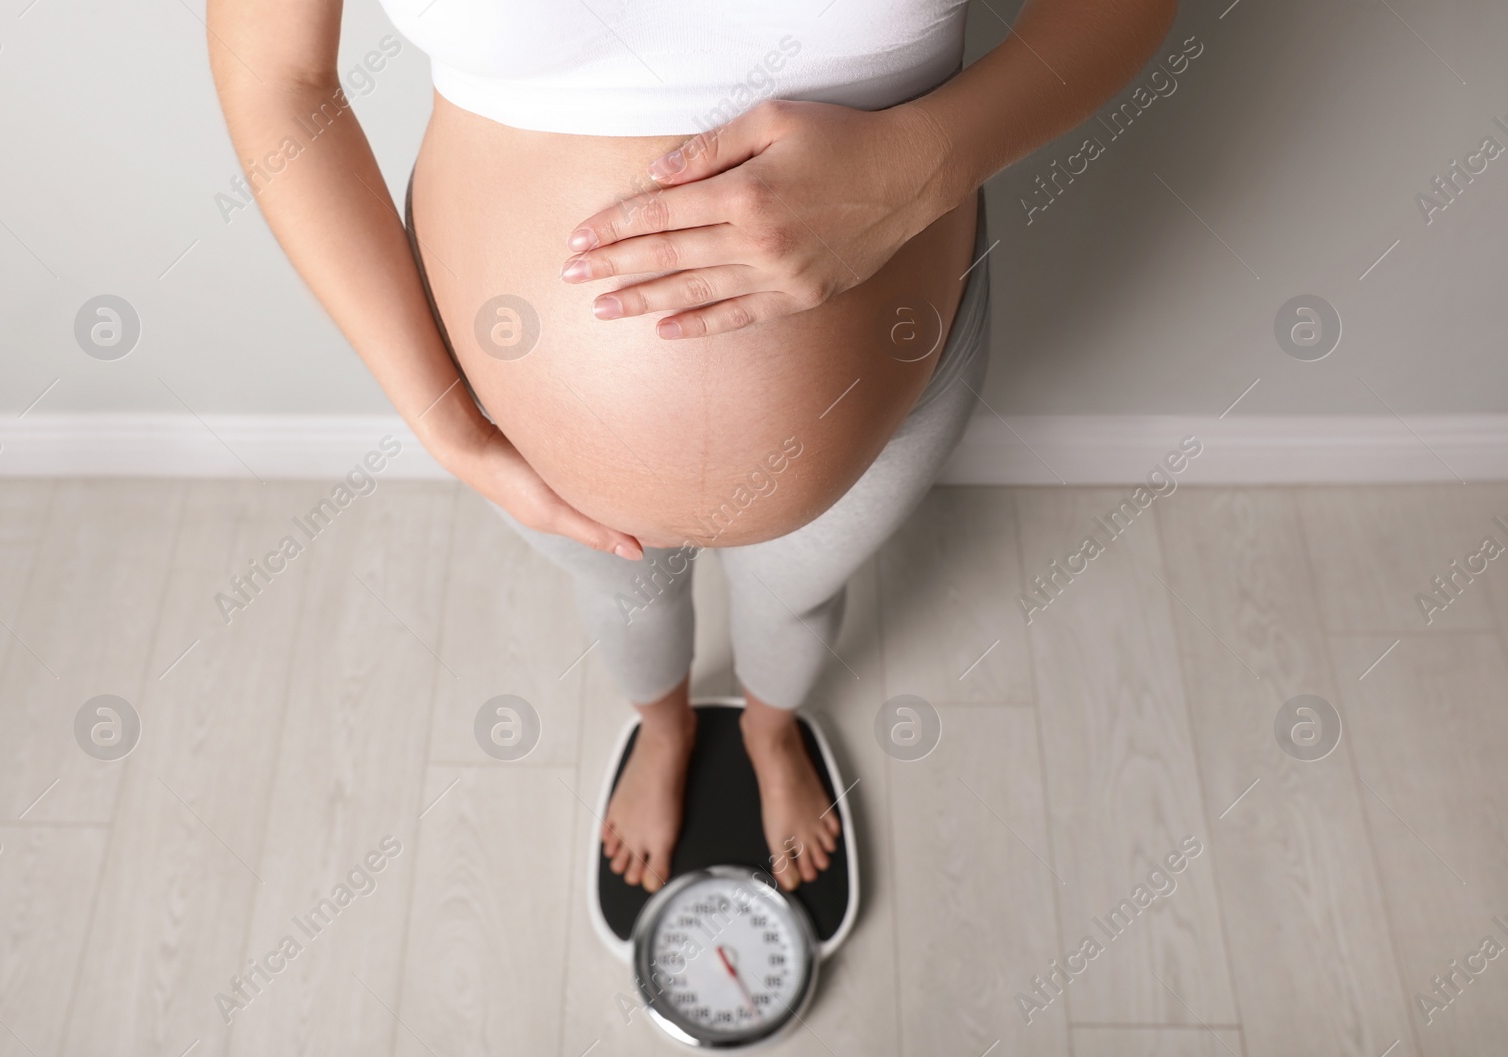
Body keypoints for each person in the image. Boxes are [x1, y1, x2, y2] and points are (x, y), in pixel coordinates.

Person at [208, 0, 1177, 892]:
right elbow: (275, 74)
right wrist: (441, 418)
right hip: (526, 439)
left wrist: (915, 168)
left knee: (796, 598)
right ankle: (663, 730)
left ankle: (768, 727)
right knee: (622, 595)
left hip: (881, 412)